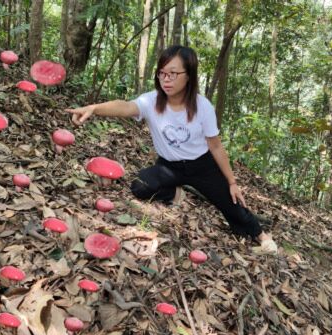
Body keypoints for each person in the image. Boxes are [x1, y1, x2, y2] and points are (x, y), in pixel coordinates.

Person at [66, 45, 277, 254]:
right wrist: (94, 109)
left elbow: (216, 146)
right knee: (140, 186)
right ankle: (176, 193)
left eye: (173, 74)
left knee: (231, 206)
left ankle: (262, 236)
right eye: (162, 73)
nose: (166, 79)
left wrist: (232, 182)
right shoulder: (151, 101)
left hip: (201, 166)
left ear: (189, 76)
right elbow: (125, 106)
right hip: (169, 166)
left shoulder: (203, 107)